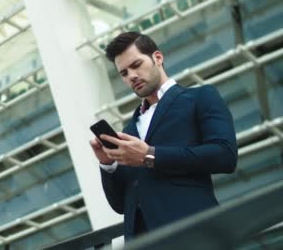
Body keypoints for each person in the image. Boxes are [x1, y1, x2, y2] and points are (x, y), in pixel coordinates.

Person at [89, 31, 238, 239]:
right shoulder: (129, 132)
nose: (131, 75)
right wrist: (108, 165)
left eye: (136, 65)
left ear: (157, 58)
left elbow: (225, 156)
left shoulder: (200, 97)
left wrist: (149, 155)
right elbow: (121, 206)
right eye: (124, 73)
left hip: (193, 236)